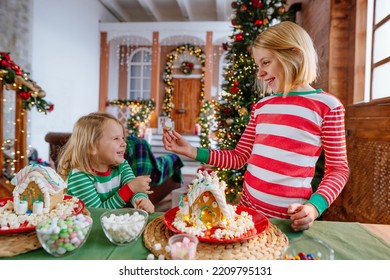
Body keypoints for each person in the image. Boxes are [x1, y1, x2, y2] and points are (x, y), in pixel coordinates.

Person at [163, 21, 349, 231]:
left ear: (294, 55)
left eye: (266, 62)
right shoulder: (261, 106)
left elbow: (338, 170)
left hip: (286, 220)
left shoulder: (328, 107)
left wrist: (314, 208)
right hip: (248, 215)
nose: (260, 73)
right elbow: (239, 157)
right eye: (258, 65)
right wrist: (191, 150)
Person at [57, 112, 155, 213]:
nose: (124, 143)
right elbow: (98, 214)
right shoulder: (79, 177)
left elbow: (135, 188)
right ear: (92, 147)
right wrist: (129, 189)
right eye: (116, 138)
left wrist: (142, 201)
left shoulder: (122, 165)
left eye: (123, 138)